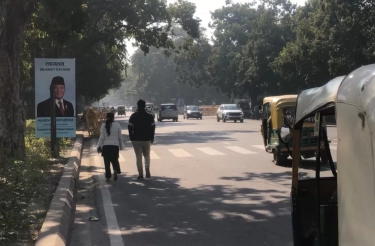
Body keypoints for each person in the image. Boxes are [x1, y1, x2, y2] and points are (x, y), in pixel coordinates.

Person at [128, 99, 155, 180]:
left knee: (138, 157)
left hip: (136, 139)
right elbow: (153, 127)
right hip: (147, 139)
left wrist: (131, 138)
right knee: (147, 155)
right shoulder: (149, 116)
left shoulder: (133, 116)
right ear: (145, 106)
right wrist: (152, 137)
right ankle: (147, 168)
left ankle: (140, 174)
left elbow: (129, 127)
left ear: (137, 106)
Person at [97, 112, 123, 182]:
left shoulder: (103, 125)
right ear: (113, 117)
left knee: (106, 162)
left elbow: (101, 138)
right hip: (115, 146)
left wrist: (98, 146)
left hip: (106, 147)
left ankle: (108, 177)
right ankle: (115, 170)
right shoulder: (117, 125)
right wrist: (121, 146)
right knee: (115, 160)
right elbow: (120, 137)